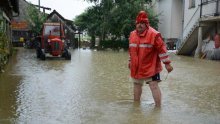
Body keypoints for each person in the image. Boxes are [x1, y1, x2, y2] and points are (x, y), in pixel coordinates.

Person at [128, 11, 173, 107]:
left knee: (153, 86)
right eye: (138, 23)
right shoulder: (132, 34)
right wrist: (130, 61)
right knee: (136, 85)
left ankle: (158, 108)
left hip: (151, 66)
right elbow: (131, 50)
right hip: (136, 67)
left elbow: (162, 50)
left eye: (142, 23)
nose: (139, 25)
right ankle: (136, 107)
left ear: (146, 24)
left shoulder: (154, 34)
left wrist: (167, 63)